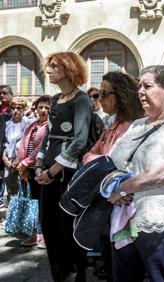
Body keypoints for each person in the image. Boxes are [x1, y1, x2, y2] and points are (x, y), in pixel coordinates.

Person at [107, 65, 164, 282]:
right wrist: (111, 186)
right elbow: (113, 160)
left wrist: (124, 187)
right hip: (125, 223)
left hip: (163, 226)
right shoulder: (138, 125)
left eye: (147, 86)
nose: (140, 91)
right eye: (139, 85)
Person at [35, 52, 92, 281]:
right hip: (48, 171)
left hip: (67, 174)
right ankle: (57, 273)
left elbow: (79, 140)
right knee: (49, 225)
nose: (48, 71)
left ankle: (75, 274)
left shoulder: (82, 99)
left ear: (68, 69)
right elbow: (48, 134)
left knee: (68, 226)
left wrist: (52, 171)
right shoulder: (56, 99)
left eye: (53, 66)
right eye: (48, 67)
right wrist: (39, 163)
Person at [82, 71, 144, 281]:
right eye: (99, 93)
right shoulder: (112, 125)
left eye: (104, 93)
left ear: (120, 95)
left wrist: (98, 161)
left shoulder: (129, 127)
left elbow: (112, 163)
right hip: (109, 200)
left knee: (123, 264)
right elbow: (90, 156)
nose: (99, 98)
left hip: (123, 207)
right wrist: (98, 161)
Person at [15, 95, 51, 248]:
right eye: (40, 107)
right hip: (27, 169)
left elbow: (42, 147)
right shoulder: (31, 125)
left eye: (47, 108)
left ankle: (45, 235)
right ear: (36, 109)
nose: (43, 110)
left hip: (42, 169)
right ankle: (34, 234)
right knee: (33, 203)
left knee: (45, 205)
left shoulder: (51, 126)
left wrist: (26, 162)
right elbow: (23, 144)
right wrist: (21, 166)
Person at [2, 98, 29, 205]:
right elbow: (4, 143)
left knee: (23, 191)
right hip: (8, 163)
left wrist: (19, 160)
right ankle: (11, 217)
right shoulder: (7, 124)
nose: (16, 110)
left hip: (23, 163)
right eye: (13, 108)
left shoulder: (29, 123)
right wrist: (4, 158)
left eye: (19, 108)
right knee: (10, 191)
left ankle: (22, 219)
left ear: (24, 109)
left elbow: (27, 144)